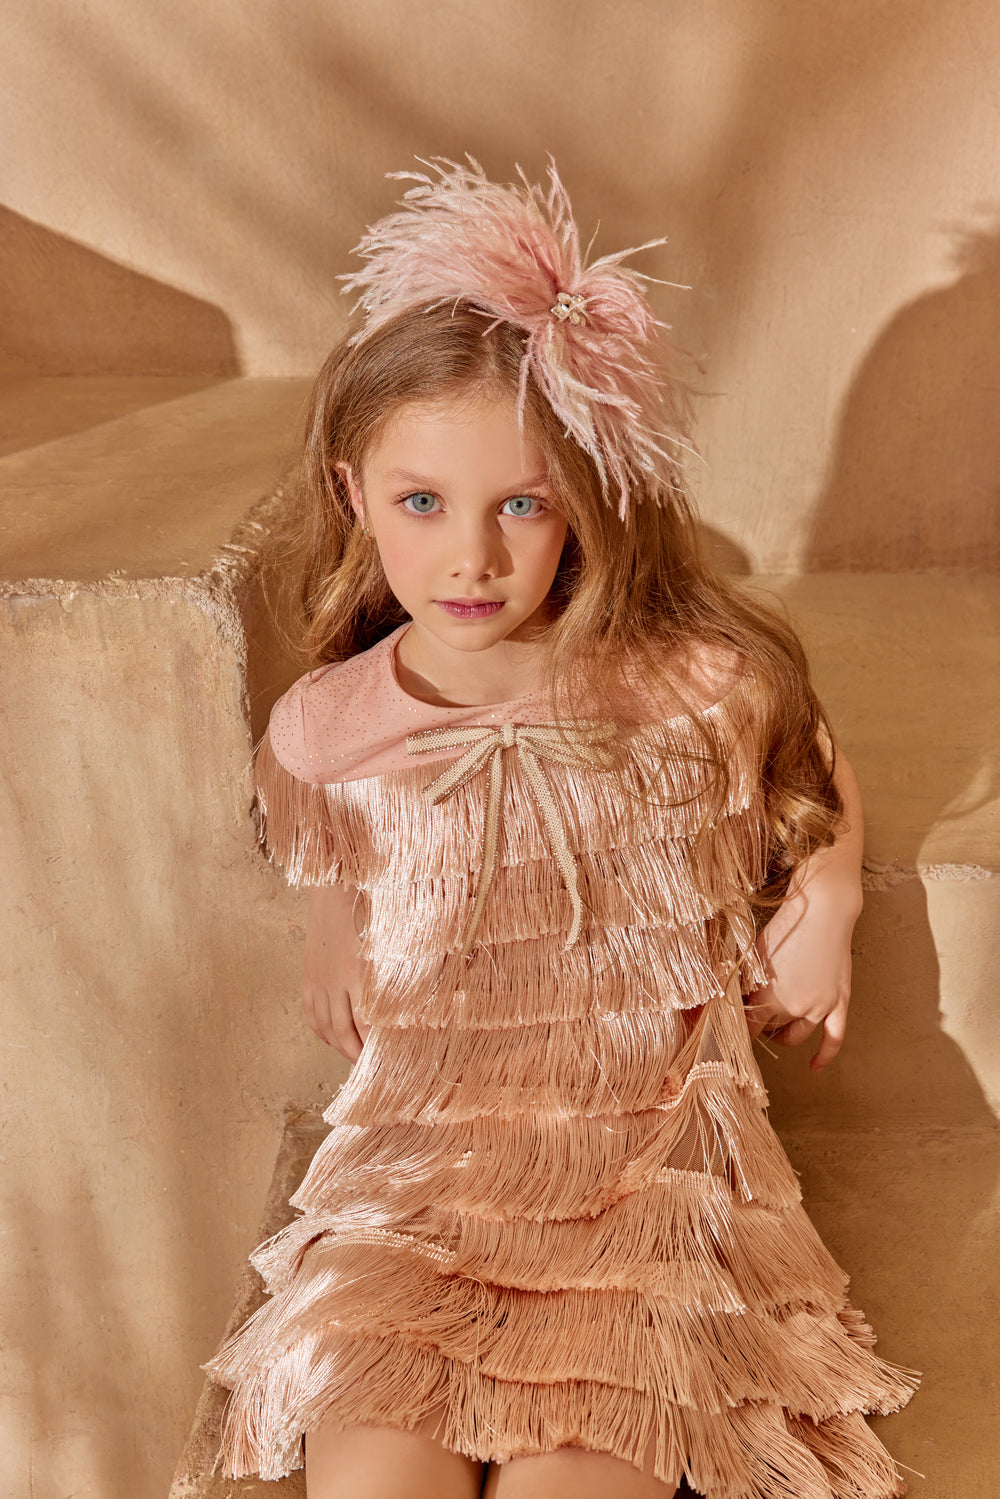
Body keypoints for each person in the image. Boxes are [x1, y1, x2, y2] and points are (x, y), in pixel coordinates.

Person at [205, 159, 918, 1499]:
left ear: (587, 503)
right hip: (426, 1177)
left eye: (522, 505)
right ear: (355, 495)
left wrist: (824, 908)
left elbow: (811, 761)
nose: (471, 557)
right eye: (423, 503)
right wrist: (331, 923)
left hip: (638, 1172)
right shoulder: (327, 720)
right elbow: (337, 847)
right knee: (370, 1477)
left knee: (574, 1481)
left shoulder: (684, 684)